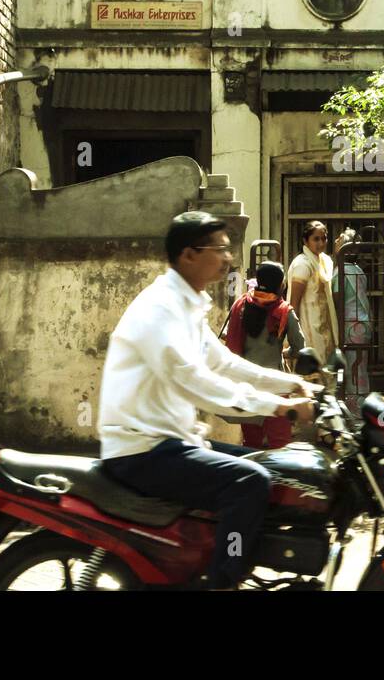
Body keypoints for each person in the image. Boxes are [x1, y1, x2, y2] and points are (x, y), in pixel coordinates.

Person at [99, 211, 318, 590]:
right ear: (188, 255)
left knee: (275, 466)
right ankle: (223, 581)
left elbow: (223, 362)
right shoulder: (161, 308)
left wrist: (290, 383)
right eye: (218, 249)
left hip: (173, 440)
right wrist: (277, 406)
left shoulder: (188, 303)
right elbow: (198, 382)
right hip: (142, 450)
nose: (227, 258)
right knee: (250, 482)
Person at [223, 261, 306, 450]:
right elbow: (300, 348)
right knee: (280, 445)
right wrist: (286, 352)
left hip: (246, 385)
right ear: (281, 284)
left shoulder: (240, 305)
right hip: (275, 387)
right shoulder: (284, 311)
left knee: (251, 445)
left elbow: (231, 339)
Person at [332, 228, 373, 417]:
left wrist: (336, 329)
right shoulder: (358, 271)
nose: (335, 242)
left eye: (339, 240)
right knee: (360, 367)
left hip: (349, 326)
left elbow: (337, 303)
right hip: (362, 325)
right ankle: (361, 403)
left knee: (351, 369)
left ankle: (355, 410)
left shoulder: (340, 273)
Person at [288, 220, 339, 367]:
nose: (321, 243)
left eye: (324, 238)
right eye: (316, 239)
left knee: (326, 369)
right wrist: (295, 335)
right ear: (305, 240)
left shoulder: (325, 261)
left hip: (324, 323)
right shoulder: (303, 264)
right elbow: (294, 304)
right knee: (311, 370)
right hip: (308, 325)